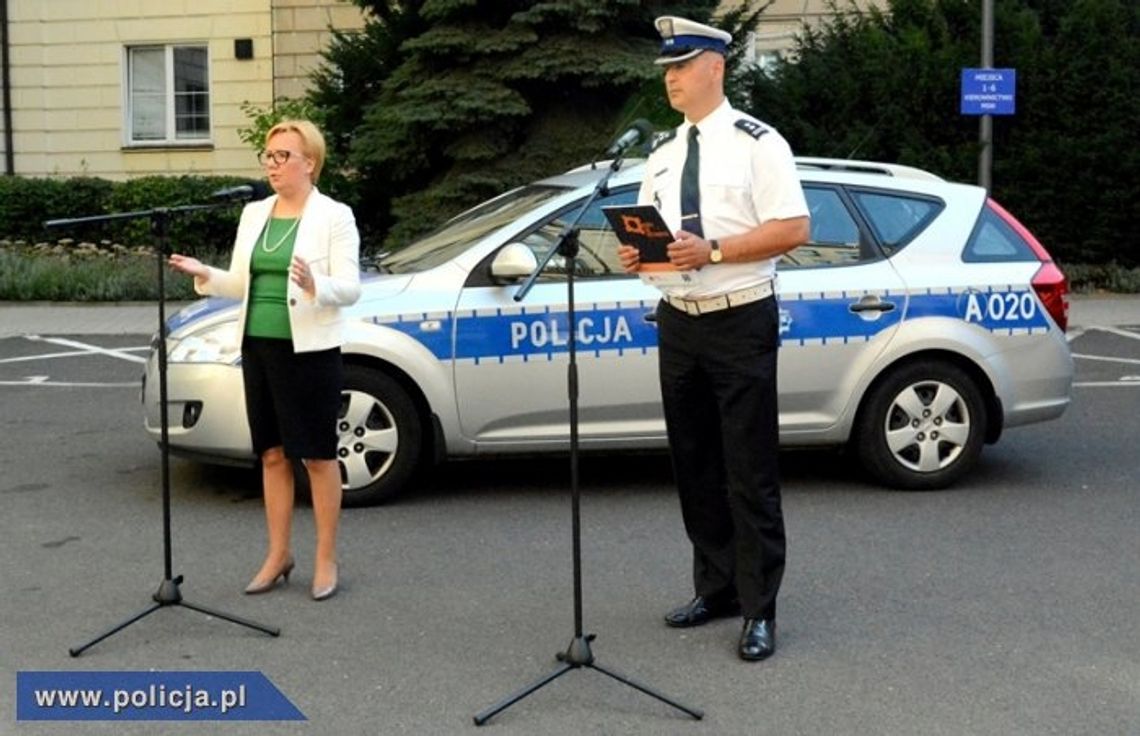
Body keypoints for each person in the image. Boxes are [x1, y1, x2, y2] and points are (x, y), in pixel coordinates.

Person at [618, 17, 810, 660]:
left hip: (739, 317)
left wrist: (716, 249)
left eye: (680, 66)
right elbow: (656, 237)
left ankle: (759, 609)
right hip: (678, 320)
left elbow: (793, 228)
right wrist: (638, 255)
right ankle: (716, 587)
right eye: (666, 70)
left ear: (715, 67)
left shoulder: (759, 143)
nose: (670, 79)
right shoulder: (663, 154)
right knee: (694, 465)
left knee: (749, 470)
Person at [169, 120, 361, 601]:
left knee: (317, 456)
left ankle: (325, 557)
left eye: (282, 156)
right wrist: (204, 272)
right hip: (258, 346)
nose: (272, 165)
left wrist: (317, 285)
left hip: (310, 351)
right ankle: (279, 554)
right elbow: (240, 283)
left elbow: (351, 287)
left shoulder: (334, 216)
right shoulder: (255, 214)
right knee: (272, 454)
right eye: (268, 156)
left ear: (309, 162)